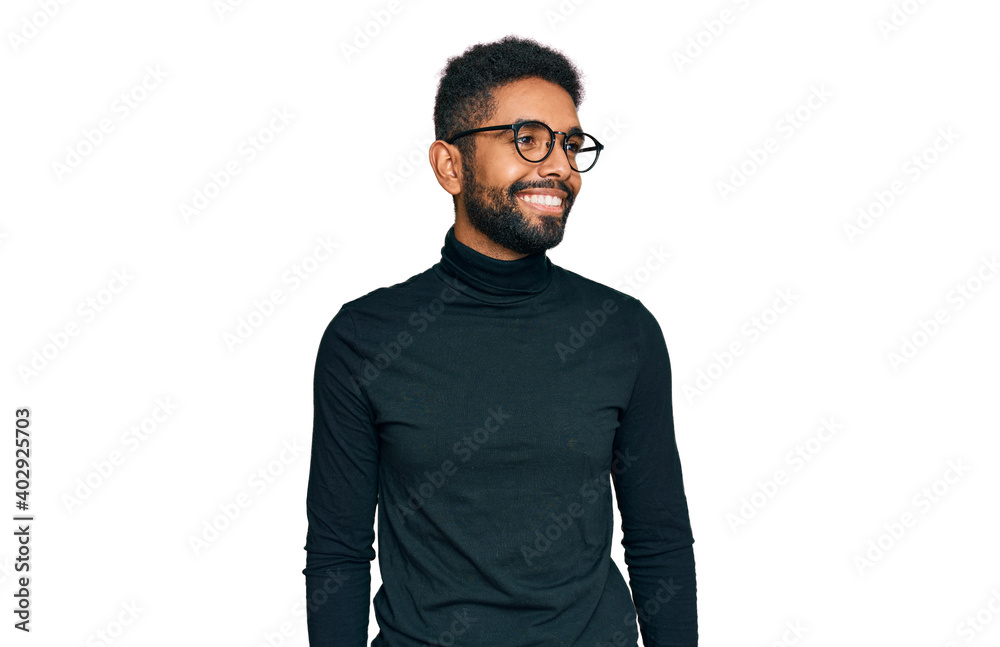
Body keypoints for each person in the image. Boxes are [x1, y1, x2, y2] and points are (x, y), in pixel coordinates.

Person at [303, 35, 697, 647]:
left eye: (570, 143)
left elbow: (659, 537)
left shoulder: (623, 331)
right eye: (528, 139)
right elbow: (339, 550)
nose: (560, 166)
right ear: (449, 165)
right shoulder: (365, 338)